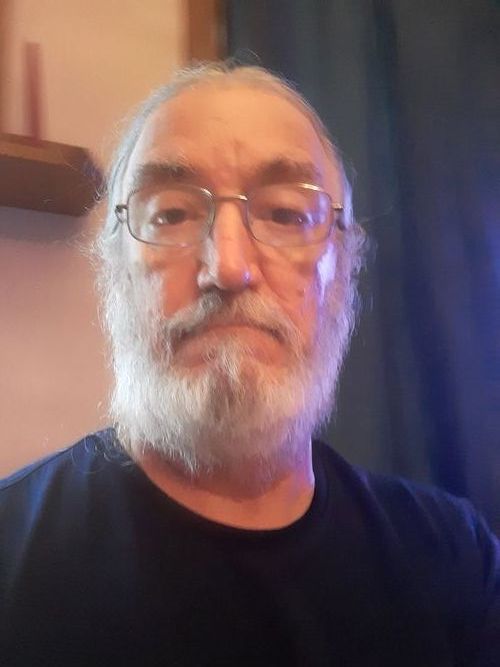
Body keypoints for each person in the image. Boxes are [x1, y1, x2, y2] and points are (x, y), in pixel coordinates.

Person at [1, 62, 498, 666]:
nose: (229, 267)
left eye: (286, 214)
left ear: (343, 269)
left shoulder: (455, 558)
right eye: (172, 214)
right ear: (114, 268)